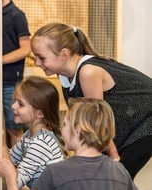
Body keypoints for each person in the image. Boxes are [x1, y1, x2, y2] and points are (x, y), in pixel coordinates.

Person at [31, 21, 152, 180]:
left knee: (119, 176)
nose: (37, 63)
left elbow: (96, 123)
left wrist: (115, 158)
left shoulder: (88, 72)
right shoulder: (65, 76)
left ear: (64, 54)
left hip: (146, 121)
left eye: (41, 57)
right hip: (130, 119)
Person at [0, 98, 138, 190]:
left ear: (77, 131)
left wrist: (11, 177)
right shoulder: (120, 171)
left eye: (65, 124)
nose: (62, 129)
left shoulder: (55, 172)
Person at [0, 76, 66, 189]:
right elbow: (11, 158)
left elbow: (15, 181)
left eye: (21, 104)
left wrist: (3, 145)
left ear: (40, 113)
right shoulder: (30, 134)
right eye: (15, 101)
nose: (13, 106)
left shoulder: (41, 142)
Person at [2, 0, 31, 148]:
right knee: (2, 129)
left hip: (10, 81)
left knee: (14, 129)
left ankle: (21, 168)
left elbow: (26, 49)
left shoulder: (16, 15)